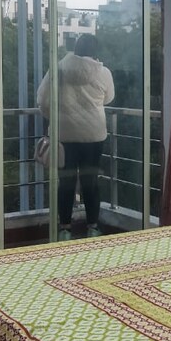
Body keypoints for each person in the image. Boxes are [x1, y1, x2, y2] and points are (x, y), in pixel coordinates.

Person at [36, 34, 115, 240]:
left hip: (65, 135)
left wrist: (55, 117)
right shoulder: (104, 72)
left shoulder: (57, 69)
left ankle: (64, 229)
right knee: (91, 181)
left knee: (66, 182)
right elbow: (109, 98)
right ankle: (93, 228)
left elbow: (43, 100)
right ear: (95, 51)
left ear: (75, 48)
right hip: (94, 135)